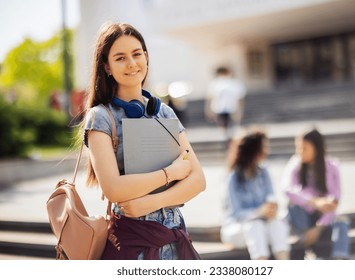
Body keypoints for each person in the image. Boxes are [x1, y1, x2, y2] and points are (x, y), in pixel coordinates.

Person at [80, 22, 206, 260]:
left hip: (175, 235)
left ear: (146, 57)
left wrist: (150, 202)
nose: (131, 63)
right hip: (133, 239)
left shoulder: (165, 113)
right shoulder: (100, 117)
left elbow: (198, 180)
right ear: (106, 66)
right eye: (120, 58)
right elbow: (114, 188)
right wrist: (172, 173)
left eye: (137, 54)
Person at [220, 127, 290, 260]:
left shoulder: (264, 172)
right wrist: (258, 212)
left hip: (262, 228)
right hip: (236, 230)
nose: (266, 151)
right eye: (263, 147)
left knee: (277, 223)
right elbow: (235, 214)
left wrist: (271, 209)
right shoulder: (233, 178)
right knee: (255, 225)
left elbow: (271, 197)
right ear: (253, 150)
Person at [282, 128, 350, 259]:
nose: (300, 152)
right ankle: (308, 243)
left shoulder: (332, 166)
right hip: (300, 219)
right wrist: (314, 202)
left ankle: (339, 260)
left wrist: (318, 228)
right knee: (293, 205)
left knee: (341, 221)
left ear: (316, 147)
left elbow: (334, 201)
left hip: (322, 222)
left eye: (304, 148)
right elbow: (287, 188)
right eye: (298, 147)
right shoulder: (295, 163)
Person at [205, 66, 246, 143]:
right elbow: (210, 98)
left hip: (232, 108)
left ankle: (230, 141)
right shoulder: (215, 83)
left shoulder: (234, 83)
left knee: (232, 128)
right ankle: (228, 140)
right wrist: (209, 110)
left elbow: (239, 98)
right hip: (220, 109)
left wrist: (239, 110)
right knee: (224, 127)